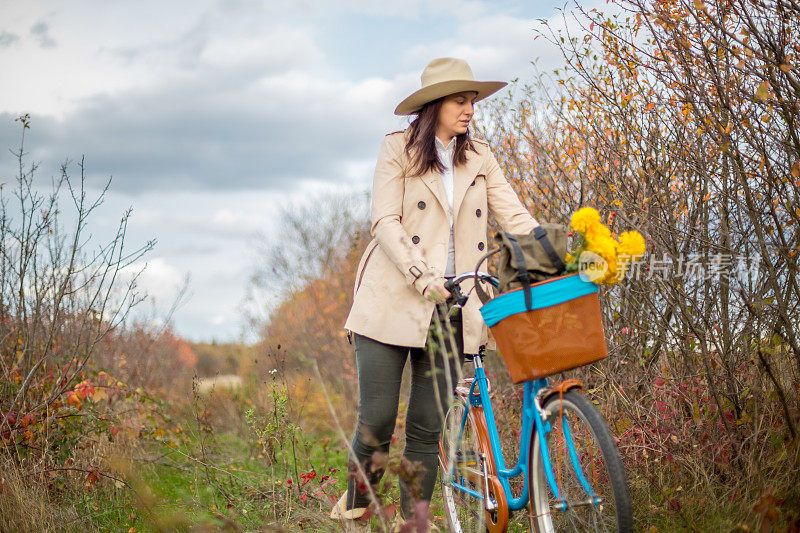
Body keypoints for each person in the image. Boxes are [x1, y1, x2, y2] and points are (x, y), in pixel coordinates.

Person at [331, 57, 540, 523]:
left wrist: (552, 250)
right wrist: (421, 273)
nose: (470, 109)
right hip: (395, 296)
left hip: (455, 305)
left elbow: (515, 215)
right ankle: (359, 505)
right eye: (460, 100)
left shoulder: (480, 156)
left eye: (473, 101)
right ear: (434, 105)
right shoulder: (397, 149)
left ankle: (413, 523)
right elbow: (384, 220)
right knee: (378, 419)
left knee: (426, 429)